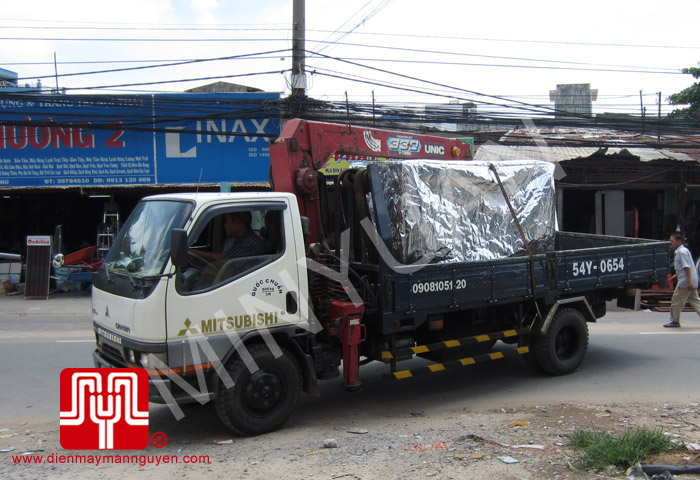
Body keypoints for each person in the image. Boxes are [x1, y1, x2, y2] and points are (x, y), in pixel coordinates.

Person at [194, 211, 265, 262]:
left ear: (238, 223)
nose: (225, 225)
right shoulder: (240, 240)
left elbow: (221, 258)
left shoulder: (249, 243)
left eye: (227, 221)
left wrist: (191, 252)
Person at [664, 232, 700, 327]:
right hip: (690, 280)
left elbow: (687, 267)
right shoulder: (683, 251)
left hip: (685, 282)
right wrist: (676, 276)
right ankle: (675, 321)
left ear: (679, 241)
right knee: (696, 302)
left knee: (676, 302)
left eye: (672, 241)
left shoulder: (682, 252)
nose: (671, 243)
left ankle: (675, 321)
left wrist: (688, 281)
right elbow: (684, 267)